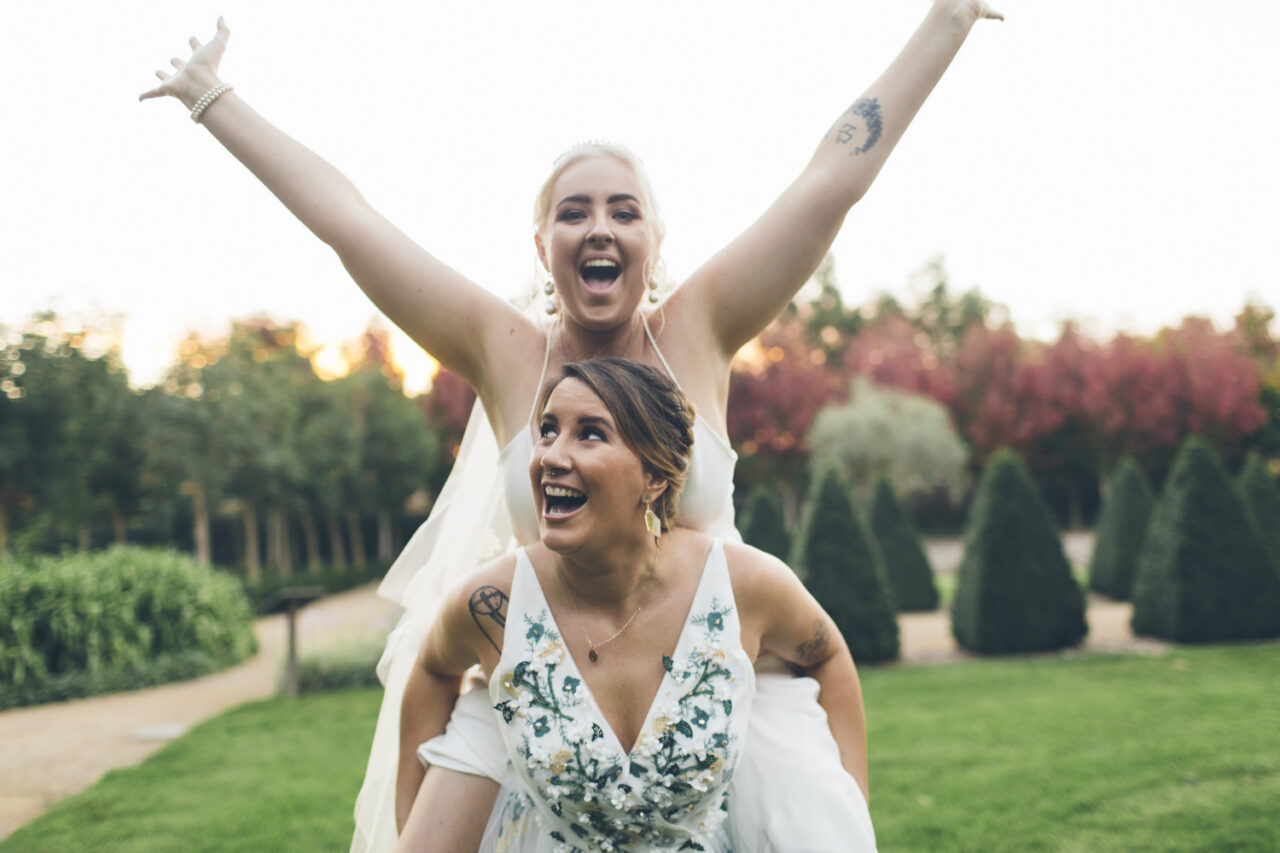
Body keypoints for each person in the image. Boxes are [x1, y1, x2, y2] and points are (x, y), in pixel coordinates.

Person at [139, 3, 1004, 848]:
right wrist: (214, 99)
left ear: (653, 240)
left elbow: (831, 181)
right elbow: (351, 223)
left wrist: (949, 19)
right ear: (542, 243)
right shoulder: (504, 350)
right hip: (547, 672)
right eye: (574, 211)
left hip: (716, 676)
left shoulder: (699, 329)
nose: (600, 228)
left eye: (624, 211)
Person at [397, 359, 870, 852]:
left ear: (654, 477)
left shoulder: (742, 585)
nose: (551, 456)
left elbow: (827, 653)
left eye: (591, 434)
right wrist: (405, 819)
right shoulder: (490, 604)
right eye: (548, 431)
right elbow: (432, 668)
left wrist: (847, 806)